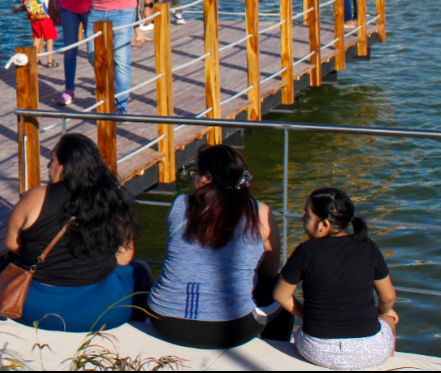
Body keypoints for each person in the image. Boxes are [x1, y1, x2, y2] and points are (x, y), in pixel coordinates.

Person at [4, 134, 148, 332]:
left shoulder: (36, 197)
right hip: (99, 314)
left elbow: (12, 244)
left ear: (63, 167)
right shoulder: (112, 200)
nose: (48, 166)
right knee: (138, 271)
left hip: (32, 309)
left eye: (52, 160)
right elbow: (124, 258)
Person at [148, 145, 283, 350]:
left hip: (163, 321)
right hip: (231, 329)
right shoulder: (260, 212)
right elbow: (271, 270)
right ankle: (275, 349)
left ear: (207, 178)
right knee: (281, 285)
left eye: (195, 173)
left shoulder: (179, 204)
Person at [274, 188, 397, 370]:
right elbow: (388, 298)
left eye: (306, 214)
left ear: (323, 225)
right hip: (370, 352)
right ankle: (392, 364)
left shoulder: (306, 251)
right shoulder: (368, 246)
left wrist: (307, 317)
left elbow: (280, 295)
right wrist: (382, 312)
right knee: (389, 318)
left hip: (317, 350)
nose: (302, 219)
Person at [12, 0, 57, 67]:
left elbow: (24, 7)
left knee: (36, 38)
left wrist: (16, 9)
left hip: (34, 20)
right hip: (47, 18)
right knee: (49, 39)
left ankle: (35, 59)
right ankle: (50, 60)